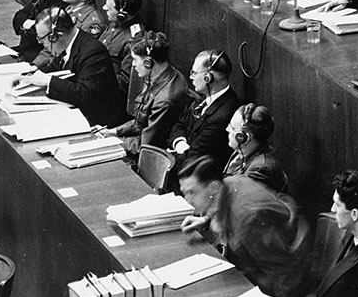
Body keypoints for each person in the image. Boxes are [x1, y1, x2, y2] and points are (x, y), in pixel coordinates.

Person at [209, 174, 312, 297]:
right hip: (264, 275)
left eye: (191, 193)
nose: (188, 200)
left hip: (280, 289)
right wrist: (209, 220)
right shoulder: (231, 183)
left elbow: (282, 273)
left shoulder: (249, 219)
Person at [13, 6, 126, 127]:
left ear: (58, 36)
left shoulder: (93, 52)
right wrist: (31, 76)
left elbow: (84, 93)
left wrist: (47, 81)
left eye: (42, 39)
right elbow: (56, 67)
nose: (42, 44)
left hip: (96, 120)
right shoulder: (70, 43)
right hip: (74, 109)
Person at [106, 31, 191, 158]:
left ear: (148, 63)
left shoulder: (165, 100)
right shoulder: (159, 74)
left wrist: (113, 142)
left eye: (135, 59)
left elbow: (146, 145)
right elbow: (139, 121)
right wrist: (113, 132)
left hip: (150, 155)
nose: (133, 65)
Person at [167, 50, 240, 189]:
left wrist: (178, 150)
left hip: (200, 186)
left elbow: (193, 160)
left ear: (208, 78)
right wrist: (180, 144)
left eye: (194, 73)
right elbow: (179, 126)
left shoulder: (223, 114)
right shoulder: (204, 99)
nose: (191, 77)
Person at [224, 103, 287, 193]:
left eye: (233, 128)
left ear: (243, 137)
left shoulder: (261, 169)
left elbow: (239, 201)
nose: (227, 129)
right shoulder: (239, 154)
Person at [99, 0, 144, 100]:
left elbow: (124, 83)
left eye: (109, 8)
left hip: (108, 94)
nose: (104, 8)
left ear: (123, 14)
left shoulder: (134, 40)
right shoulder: (116, 23)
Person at [179, 154, 226, 244]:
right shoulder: (216, 198)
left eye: (192, 192)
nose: (187, 200)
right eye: (185, 193)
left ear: (213, 187)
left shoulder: (241, 218)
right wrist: (207, 221)